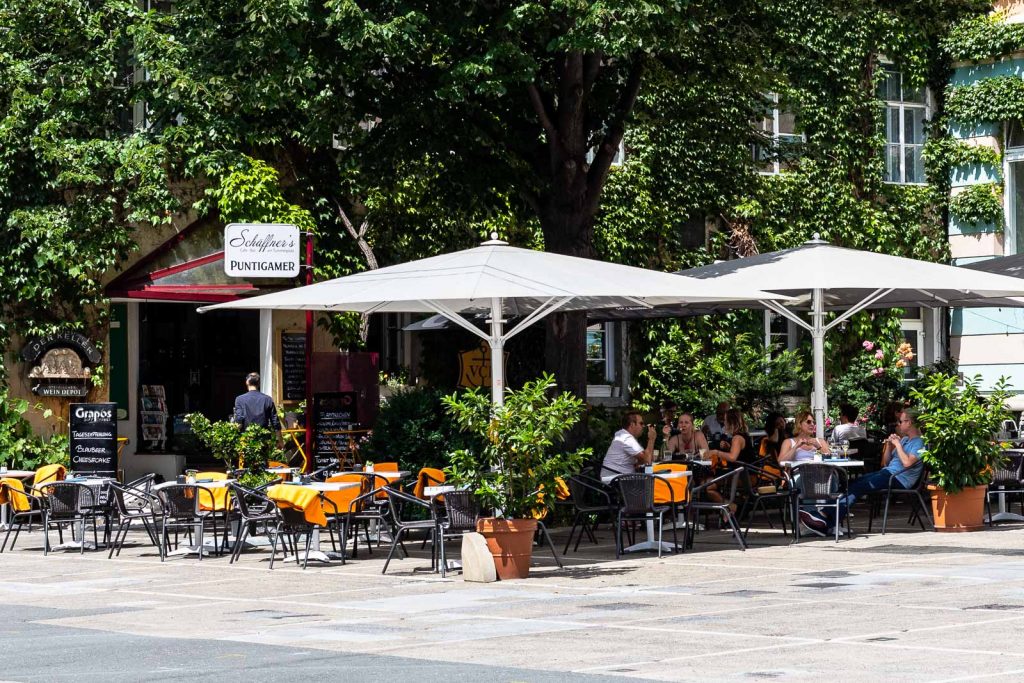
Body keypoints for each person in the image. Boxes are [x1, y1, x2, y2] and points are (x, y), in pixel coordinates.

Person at [801, 407, 924, 536]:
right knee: (853, 483)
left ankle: (824, 517)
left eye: (901, 421)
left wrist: (897, 445)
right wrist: (888, 446)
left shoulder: (918, 443)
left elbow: (907, 463)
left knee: (859, 486)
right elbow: (885, 463)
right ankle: (827, 520)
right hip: (889, 473)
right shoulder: (904, 440)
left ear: (909, 422)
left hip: (900, 479)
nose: (898, 424)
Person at [233, 372, 283, 446]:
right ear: (259, 383)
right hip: (264, 440)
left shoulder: (240, 399)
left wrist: (232, 437)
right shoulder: (268, 399)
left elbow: (239, 421)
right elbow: (275, 421)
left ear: (247, 382)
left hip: (246, 440)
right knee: (265, 457)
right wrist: (280, 440)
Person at [602, 410, 656, 477]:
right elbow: (647, 460)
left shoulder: (623, 435)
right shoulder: (626, 438)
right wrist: (651, 439)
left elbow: (646, 459)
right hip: (615, 480)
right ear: (632, 424)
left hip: (619, 478)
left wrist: (642, 460)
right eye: (641, 423)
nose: (643, 426)